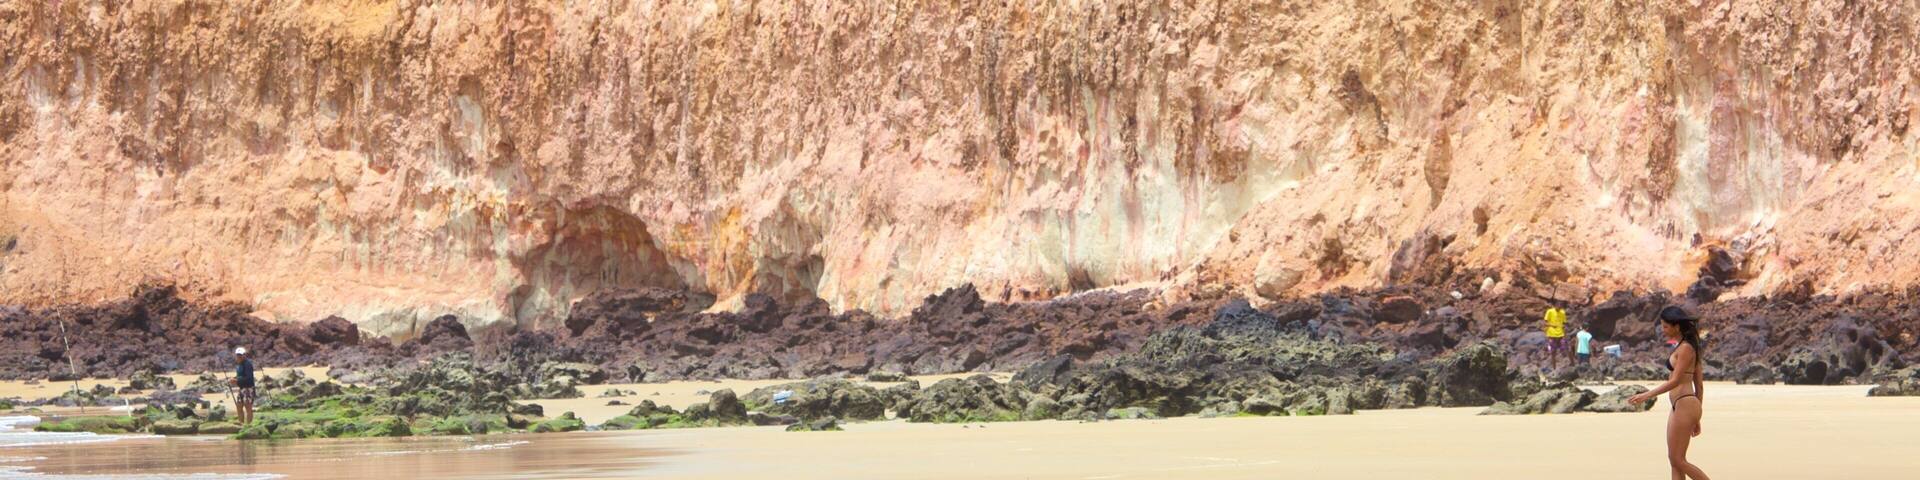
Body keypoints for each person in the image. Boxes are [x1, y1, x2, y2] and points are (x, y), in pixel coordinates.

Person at [1628, 306, 1712, 480]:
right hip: (1683, 405)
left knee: (1678, 459)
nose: (1663, 330)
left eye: (1666, 326)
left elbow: (1676, 381)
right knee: (1674, 460)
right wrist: (1697, 417)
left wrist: (1646, 395)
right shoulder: (1688, 347)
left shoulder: (1687, 348)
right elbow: (1700, 387)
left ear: (1677, 326)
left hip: (1685, 403)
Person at [228, 347, 257, 425]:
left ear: (244, 355)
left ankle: (248, 425)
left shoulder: (247, 364)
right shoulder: (239, 365)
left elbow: (248, 378)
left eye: (240, 355)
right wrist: (234, 378)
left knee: (248, 407)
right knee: (239, 406)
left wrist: (237, 380)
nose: (239, 357)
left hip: (248, 388)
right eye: (237, 355)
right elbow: (240, 375)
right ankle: (241, 424)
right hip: (241, 388)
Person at [1542, 304, 1568, 369]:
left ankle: (1572, 364)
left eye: (1560, 307)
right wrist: (1551, 325)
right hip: (1552, 334)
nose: (1558, 308)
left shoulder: (1562, 312)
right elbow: (1545, 322)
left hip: (1561, 334)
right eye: (1557, 306)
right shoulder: (1550, 311)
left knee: (1567, 349)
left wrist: (1564, 328)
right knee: (1553, 352)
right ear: (1555, 306)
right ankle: (1554, 368)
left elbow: (1564, 322)